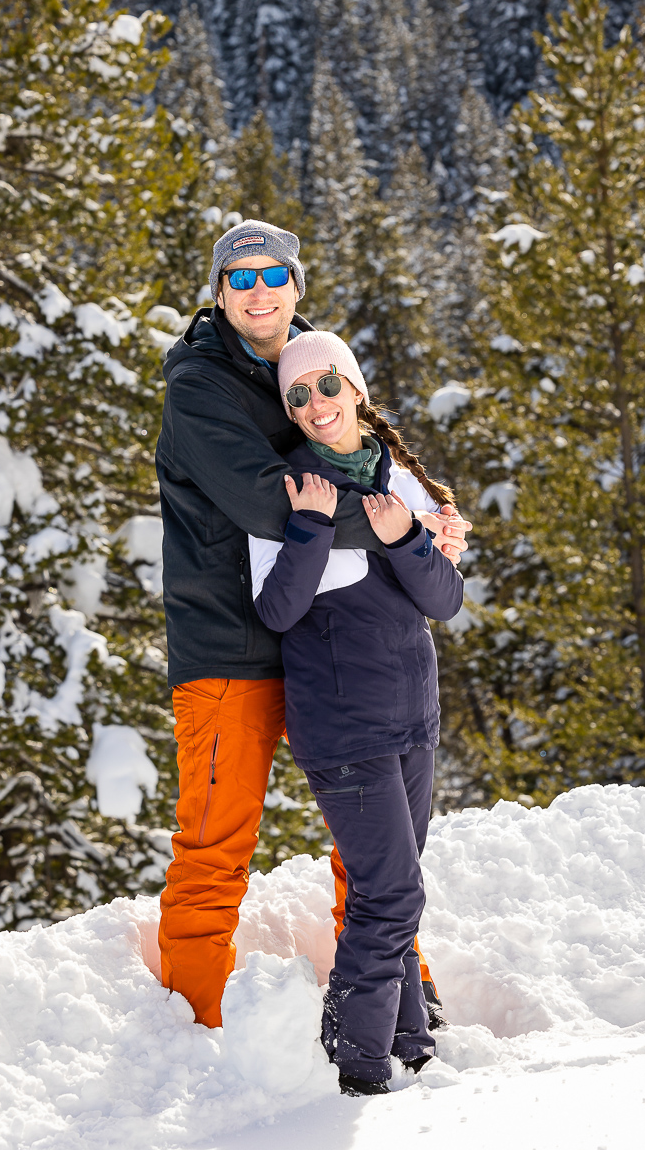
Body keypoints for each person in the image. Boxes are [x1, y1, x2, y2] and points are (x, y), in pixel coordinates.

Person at [155, 219, 469, 1029]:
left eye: (272, 275)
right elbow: (271, 506)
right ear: (219, 293)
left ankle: (401, 993)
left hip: (328, 642)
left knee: (369, 836)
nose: (258, 291)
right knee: (218, 842)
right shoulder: (199, 382)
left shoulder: (312, 362)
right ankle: (192, 1024)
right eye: (240, 277)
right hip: (231, 643)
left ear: (296, 284)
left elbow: (372, 454)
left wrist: (430, 515)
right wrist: (406, 526)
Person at [248, 330, 464, 1096]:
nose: (315, 405)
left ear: (356, 390)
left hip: (413, 718)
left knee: (398, 881)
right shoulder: (283, 489)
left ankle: (408, 1041)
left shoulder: (395, 481)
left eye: (327, 387)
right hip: (343, 730)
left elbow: (443, 599)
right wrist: (308, 525)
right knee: (389, 892)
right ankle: (358, 1060)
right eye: (298, 396)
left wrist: (405, 536)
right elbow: (276, 609)